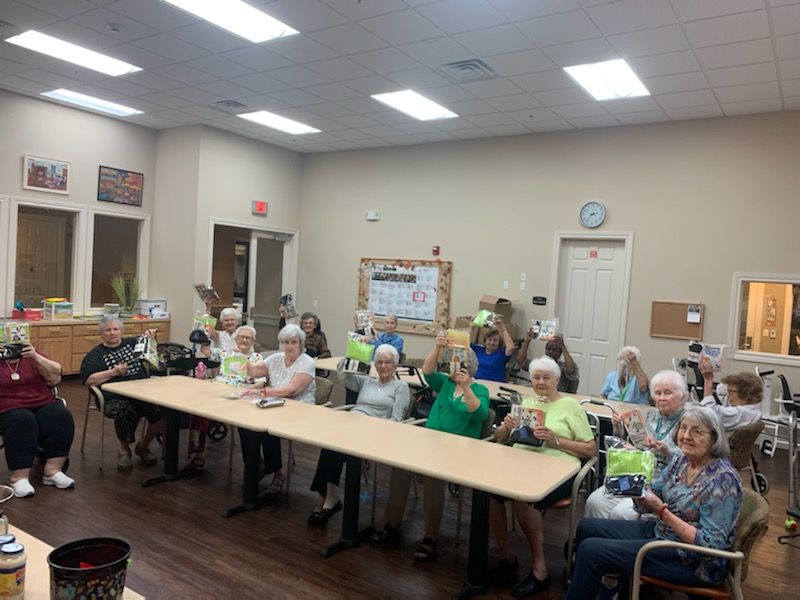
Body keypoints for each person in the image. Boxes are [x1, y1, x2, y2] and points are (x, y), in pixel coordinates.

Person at [566, 406, 742, 600]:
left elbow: (712, 546)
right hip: (663, 534)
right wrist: (634, 488)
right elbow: (656, 490)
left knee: (592, 551)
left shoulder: (723, 481)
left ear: (715, 438)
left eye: (697, 431)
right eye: (683, 428)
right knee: (587, 527)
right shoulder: (682, 460)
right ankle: (588, 585)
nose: (686, 436)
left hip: (693, 560)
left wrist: (662, 512)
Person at [371, 332, 490, 561]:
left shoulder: (480, 390)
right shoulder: (445, 383)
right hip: (431, 441)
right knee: (400, 466)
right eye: (453, 364)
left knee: (433, 477)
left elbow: (480, 413)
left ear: (470, 369)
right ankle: (392, 522)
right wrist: (437, 348)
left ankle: (431, 535)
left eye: (461, 366)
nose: (455, 369)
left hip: (459, 449)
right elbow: (427, 371)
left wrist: (466, 387)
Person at [489, 356, 596, 595]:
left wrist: (555, 440)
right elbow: (500, 439)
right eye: (536, 377)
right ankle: (507, 558)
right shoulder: (526, 403)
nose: (540, 382)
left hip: (559, 469)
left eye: (546, 378)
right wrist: (505, 428)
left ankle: (540, 570)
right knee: (487, 492)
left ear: (557, 380)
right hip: (521, 463)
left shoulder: (570, 405)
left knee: (524, 497)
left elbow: (590, 449)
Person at [307, 345, 410, 526]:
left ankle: (328, 498)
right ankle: (327, 496)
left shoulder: (400, 386)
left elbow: (396, 419)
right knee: (330, 445)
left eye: (388, 362)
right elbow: (343, 374)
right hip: (353, 423)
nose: (383, 366)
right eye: (379, 362)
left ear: (395, 366)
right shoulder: (367, 381)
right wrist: (353, 353)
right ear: (374, 365)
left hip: (376, 430)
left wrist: (374, 428)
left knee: (338, 446)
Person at [585, 369, 688, 521]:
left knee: (621, 513)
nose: (662, 398)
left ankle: (617, 542)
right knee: (595, 502)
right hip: (637, 474)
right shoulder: (651, 416)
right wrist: (619, 430)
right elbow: (635, 448)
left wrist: (667, 451)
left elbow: (692, 460)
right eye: (658, 393)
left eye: (668, 393)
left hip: (664, 484)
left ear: (682, 396)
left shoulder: (689, 422)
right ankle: (594, 540)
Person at [80, 317, 165, 470]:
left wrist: (152, 339)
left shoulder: (133, 343)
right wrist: (113, 372)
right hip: (114, 397)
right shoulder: (95, 355)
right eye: (108, 330)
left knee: (163, 410)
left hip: (142, 393)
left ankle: (143, 446)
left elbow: (153, 357)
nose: (112, 333)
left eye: (115, 329)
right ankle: (124, 451)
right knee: (124, 410)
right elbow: (89, 380)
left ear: (121, 331)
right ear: (101, 333)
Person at [244, 324, 316, 494]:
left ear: (300, 343)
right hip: (273, 403)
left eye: (293, 342)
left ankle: (277, 472)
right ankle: (257, 463)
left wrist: (263, 391)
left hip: (299, 409)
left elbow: (291, 391)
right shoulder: (275, 358)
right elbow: (253, 372)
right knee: (243, 423)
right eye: (285, 342)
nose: (289, 346)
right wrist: (242, 355)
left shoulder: (307, 362)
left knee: (267, 427)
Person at [0, 343, 74, 497]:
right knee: (23, 419)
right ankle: (18, 478)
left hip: (41, 401)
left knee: (60, 415)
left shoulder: (31, 355)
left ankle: (53, 471)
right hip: (6, 406)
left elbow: (55, 378)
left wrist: (35, 356)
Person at [190, 325, 261, 472]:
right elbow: (206, 350)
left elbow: (261, 382)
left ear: (253, 341)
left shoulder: (256, 358)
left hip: (238, 395)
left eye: (248, 338)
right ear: (236, 339)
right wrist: (204, 336)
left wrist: (245, 390)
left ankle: (254, 463)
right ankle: (197, 448)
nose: (244, 340)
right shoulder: (226, 353)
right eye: (241, 337)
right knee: (197, 405)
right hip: (217, 389)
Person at [699, 363, 762, 430]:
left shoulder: (742, 413)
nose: (728, 395)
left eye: (732, 391)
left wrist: (708, 380)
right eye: (728, 391)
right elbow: (721, 391)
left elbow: (709, 414)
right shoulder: (752, 409)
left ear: (747, 394)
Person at [472, 316, 515, 382]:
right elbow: (464, 342)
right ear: (485, 341)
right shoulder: (479, 350)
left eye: (495, 340)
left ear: (499, 343)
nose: (492, 342)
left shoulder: (501, 354)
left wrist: (502, 328)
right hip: (477, 382)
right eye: (490, 339)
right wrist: (473, 325)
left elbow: (511, 348)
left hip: (495, 384)